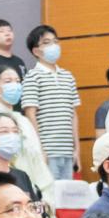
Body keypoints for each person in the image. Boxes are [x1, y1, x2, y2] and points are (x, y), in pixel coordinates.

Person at [0, 65, 52, 198]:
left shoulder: (24, 121)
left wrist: (45, 196)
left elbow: (38, 160)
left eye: (18, 81)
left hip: (31, 188)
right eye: (8, 81)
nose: (15, 86)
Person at [20, 24, 78, 181]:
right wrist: (40, 149)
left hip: (67, 151)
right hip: (48, 151)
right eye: (46, 42)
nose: (53, 46)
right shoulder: (32, 77)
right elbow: (30, 114)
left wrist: (77, 149)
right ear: (36, 51)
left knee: (67, 194)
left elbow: (73, 114)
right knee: (51, 193)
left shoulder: (68, 76)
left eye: (55, 41)